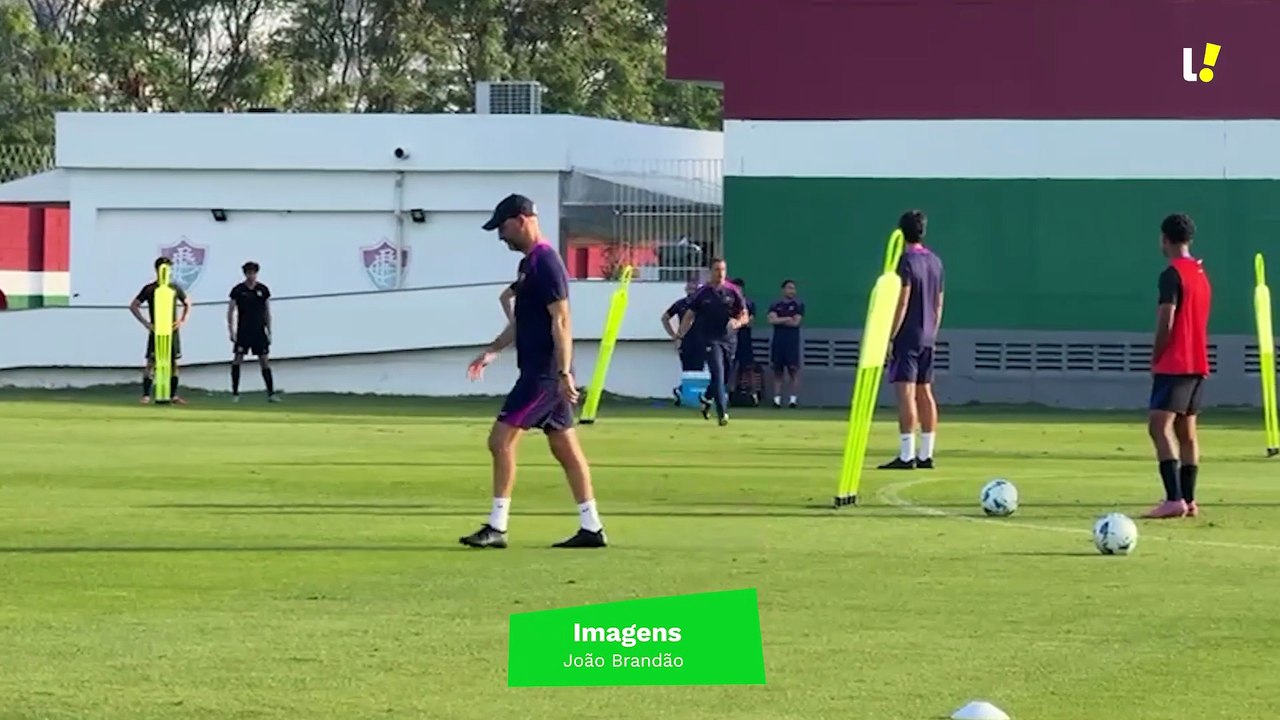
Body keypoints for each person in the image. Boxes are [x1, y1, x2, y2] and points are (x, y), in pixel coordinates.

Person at [460, 193, 607, 549]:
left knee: (500, 441)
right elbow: (523, 322)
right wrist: (492, 352)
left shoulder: (546, 263)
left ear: (522, 219)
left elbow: (562, 319)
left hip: (544, 374)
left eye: (503, 227)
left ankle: (497, 527)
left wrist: (564, 373)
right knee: (566, 450)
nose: (500, 236)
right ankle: (592, 528)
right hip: (544, 372)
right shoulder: (529, 265)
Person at [1144, 213, 1212, 519]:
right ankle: (1189, 499)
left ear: (1165, 239)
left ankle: (1173, 500)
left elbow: (1166, 319)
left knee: (1158, 426)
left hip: (1176, 362)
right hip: (1198, 362)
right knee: (1187, 431)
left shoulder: (1171, 274)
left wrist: (1156, 354)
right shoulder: (1200, 273)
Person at [878, 210, 945, 470]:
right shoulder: (936, 262)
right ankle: (926, 453)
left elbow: (902, 300)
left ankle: (907, 454)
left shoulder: (905, 261)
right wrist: (933, 332)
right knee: (925, 391)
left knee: (905, 392)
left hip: (908, 334)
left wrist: (890, 336)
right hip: (928, 334)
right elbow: (939, 302)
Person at [676, 258, 748, 426]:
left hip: (729, 339)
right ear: (711, 271)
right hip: (709, 339)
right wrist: (680, 334)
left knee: (724, 377)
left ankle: (707, 398)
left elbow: (744, 314)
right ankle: (722, 413)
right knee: (717, 372)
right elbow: (689, 315)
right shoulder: (703, 293)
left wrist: (737, 322)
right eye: (716, 269)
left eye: (723, 269)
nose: (720, 273)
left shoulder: (733, 291)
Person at [130, 256, 193, 404]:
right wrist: (146, 323)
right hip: (156, 330)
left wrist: (182, 320)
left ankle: (173, 395)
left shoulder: (174, 288)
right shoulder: (150, 289)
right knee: (151, 362)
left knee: (173, 363)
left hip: (172, 331)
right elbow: (134, 305)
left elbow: (188, 303)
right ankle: (146, 395)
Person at [227, 261, 279, 402]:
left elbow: (267, 311)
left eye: (253, 273)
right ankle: (235, 393)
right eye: (249, 273)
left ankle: (271, 393)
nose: (251, 276)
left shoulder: (263, 289)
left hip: (259, 331)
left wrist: (269, 330)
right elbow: (231, 311)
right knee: (237, 360)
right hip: (243, 331)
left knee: (264, 361)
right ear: (245, 274)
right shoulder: (238, 290)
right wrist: (231, 331)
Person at [661, 277, 703, 404]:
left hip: (700, 341)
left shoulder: (703, 304)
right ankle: (685, 396)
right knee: (687, 371)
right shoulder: (680, 304)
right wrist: (674, 335)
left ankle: (692, 396)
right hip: (685, 341)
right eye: (690, 288)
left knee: (698, 371)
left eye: (695, 289)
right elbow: (665, 318)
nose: (692, 291)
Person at [766, 280, 805, 407]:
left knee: (793, 371)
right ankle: (777, 400)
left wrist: (780, 320)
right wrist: (787, 318)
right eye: (789, 288)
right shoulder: (775, 305)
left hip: (792, 342)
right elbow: (771, 320)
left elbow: (796, 322)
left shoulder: (798, 305)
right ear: (783, 290)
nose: (792, 291)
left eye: (793, 288)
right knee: (778, 371)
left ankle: (792, 400)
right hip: (778, 342)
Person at [731, 277, 758, 402]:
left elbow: (749, 321)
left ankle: (753, 394)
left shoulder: (749, 303)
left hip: (744, 338)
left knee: (748, 366)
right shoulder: (728, 302)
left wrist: (738, 322)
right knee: (731, 366)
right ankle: (729, 392)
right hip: (730, 338)